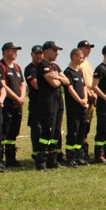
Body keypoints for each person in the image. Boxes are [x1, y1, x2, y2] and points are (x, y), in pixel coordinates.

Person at [31, 41, 67, 169]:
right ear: (47, 51)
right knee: (47, 132)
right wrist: (59, 79)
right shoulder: (42, 65)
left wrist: (58, 77)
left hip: (58, 101)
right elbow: (54, 84)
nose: (57, 53)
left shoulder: (55, 67)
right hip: (48, 102)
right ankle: (41, 160)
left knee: (56, 132)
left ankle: (53, 160)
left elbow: (66, 81)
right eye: (55, 50)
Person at [0, 42, 26, 167]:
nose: (16, 53)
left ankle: (11, 158)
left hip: (18, 105)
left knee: (13, 133)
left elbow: (22, 84)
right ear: (6, 52)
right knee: (3, 131)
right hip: (7, 104)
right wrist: (17, 98)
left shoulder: (17, 67)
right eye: (13, 50)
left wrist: (21, 97)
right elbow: (3, 85)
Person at [63, 47, 91, 166]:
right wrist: (79, 100)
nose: (82, 59)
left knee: (81, 130)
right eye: (80, 57)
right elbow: (70, 88)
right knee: (73, 131)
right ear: (74, 57)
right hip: (74, 106)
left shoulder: (79, 71)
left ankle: (79, 156)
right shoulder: (68, 72)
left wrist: (85, 98)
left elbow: (84, 86)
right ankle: (70, 157)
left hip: (82, 106)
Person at [24, 44, 44, 164]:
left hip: (46, 104)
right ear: (32, 55)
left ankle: (44, 152)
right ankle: (36, 153)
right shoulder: (30, 69)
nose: (39, 56)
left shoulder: (45, 67)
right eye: (36, 53)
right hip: (36, 103)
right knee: (37, 128)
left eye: (40, 53)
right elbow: (36, 85)